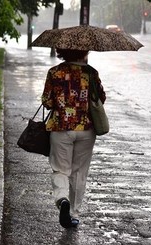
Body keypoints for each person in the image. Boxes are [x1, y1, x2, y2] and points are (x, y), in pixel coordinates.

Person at [41, 48, 106, 228]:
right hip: (86, 129)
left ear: (62, 52)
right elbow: (101, 97)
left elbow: (47, 101)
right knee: (79, 172)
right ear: (84, 51)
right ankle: (74, 214)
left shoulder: (55, 72)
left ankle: (62, 199)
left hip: (61, 128)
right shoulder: (91, 73)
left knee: (61, 170)